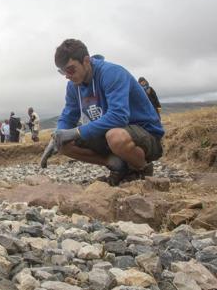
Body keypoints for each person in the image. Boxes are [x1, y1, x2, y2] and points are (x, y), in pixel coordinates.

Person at [49, 39, 164, 186]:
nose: (67, 76)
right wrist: (57, 135)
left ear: (86, 61)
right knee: (62, 143)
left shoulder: (112, 73)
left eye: (70, 69)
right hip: (108, 134)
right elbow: (68, 115)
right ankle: (116, 165)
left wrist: (76, 132)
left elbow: (118, 116)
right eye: (62, 71)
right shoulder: (73, 86)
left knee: (116, 136)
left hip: (145, 134)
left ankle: (141, 168)